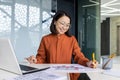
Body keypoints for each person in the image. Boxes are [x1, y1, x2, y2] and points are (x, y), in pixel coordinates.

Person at [26, 10, 98, 80]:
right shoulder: (45, 39)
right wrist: (34, 60)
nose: (64, 27)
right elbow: (41, 58)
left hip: (67, 75)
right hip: (49, 75)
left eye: (67, 25)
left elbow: (79, 56)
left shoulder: (71, 39)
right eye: (62, 23)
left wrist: (88, 63)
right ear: (55, 22)